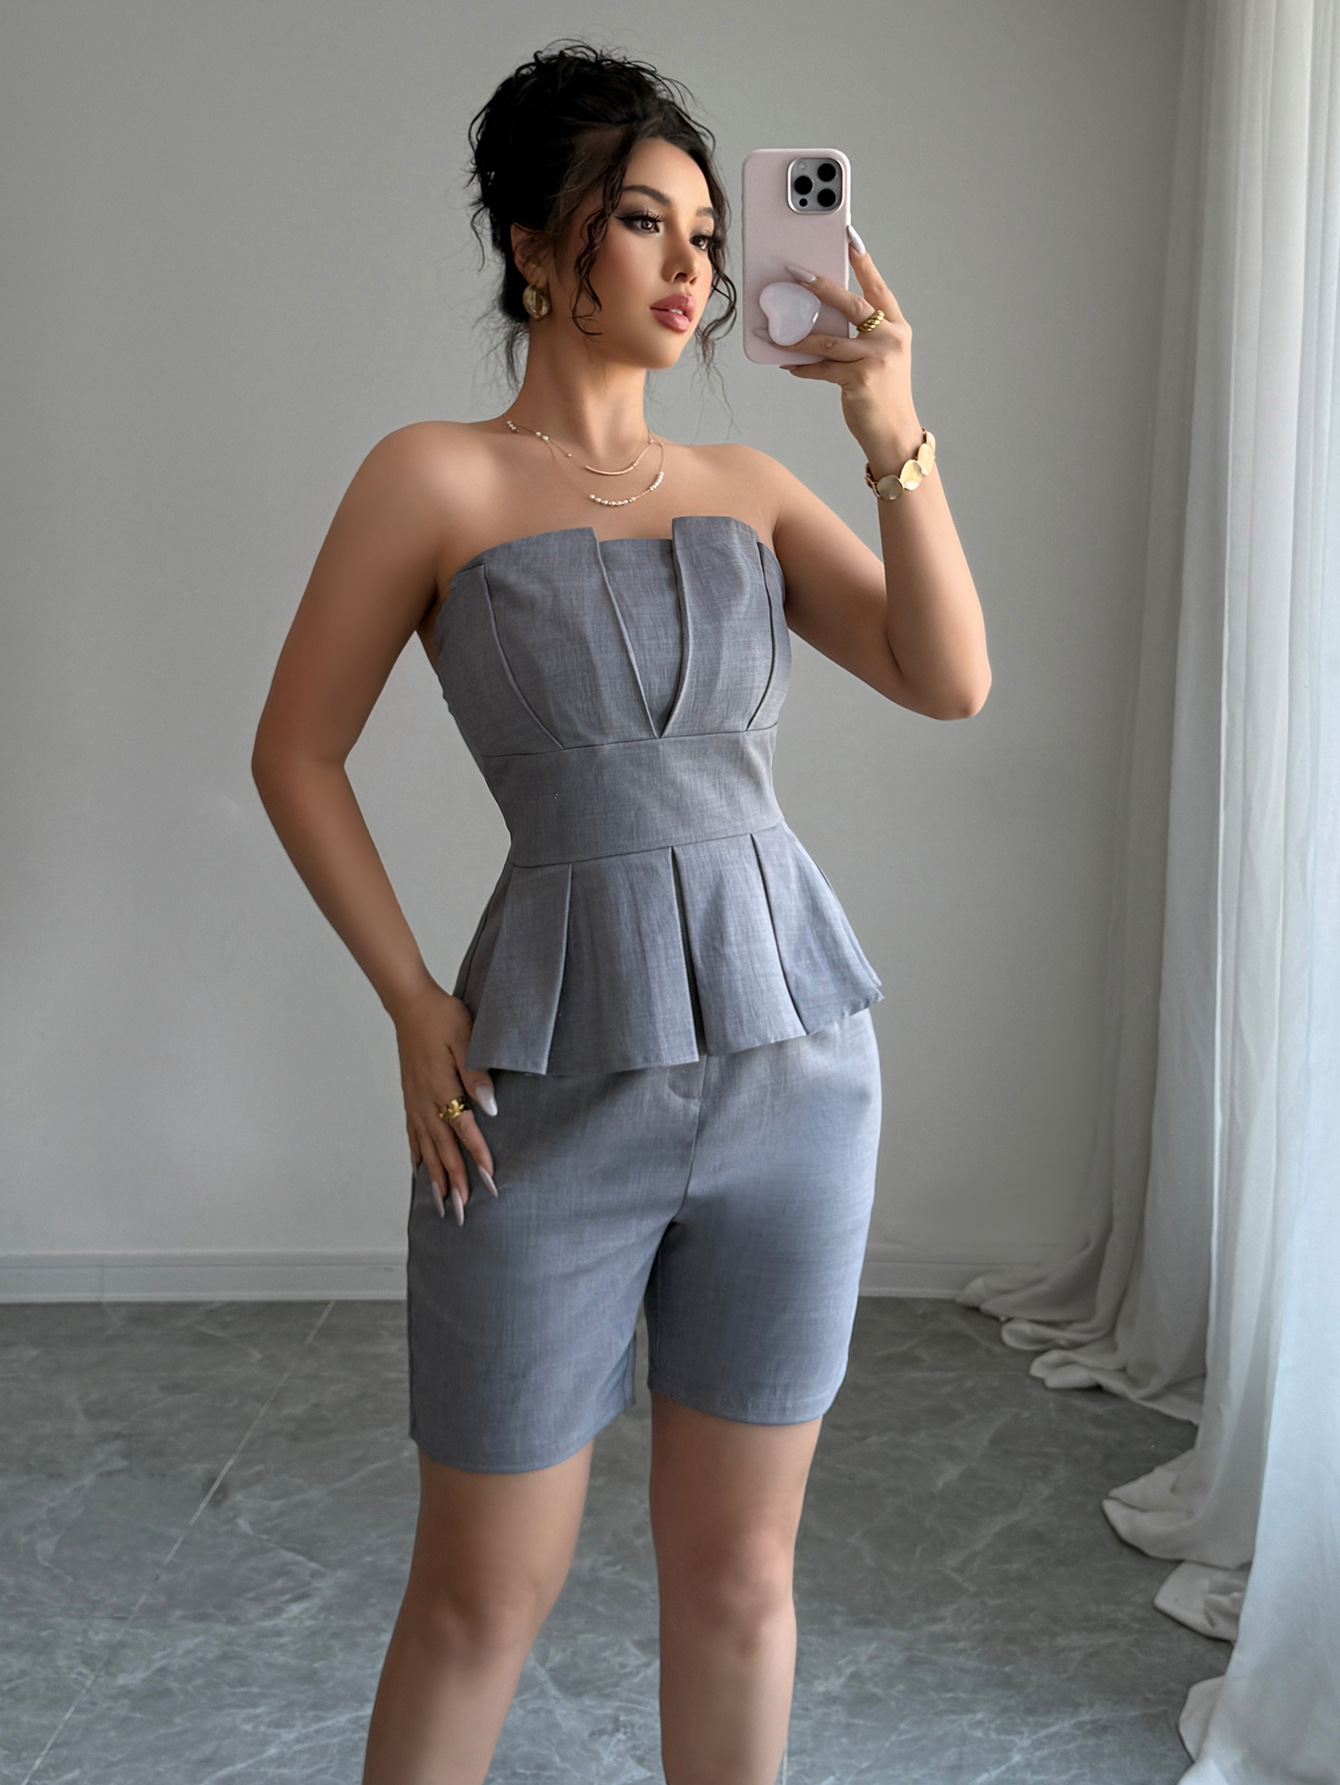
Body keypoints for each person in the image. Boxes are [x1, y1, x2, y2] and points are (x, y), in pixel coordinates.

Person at [251, 39, 989, 1785]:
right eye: (644, 220)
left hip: (798, 1071)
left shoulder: (752, 490)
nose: (692, 266)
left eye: (707, 235)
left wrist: (891, 431)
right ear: (534, 243)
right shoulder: (432, 478)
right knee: (479, 1595)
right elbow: (295, 753)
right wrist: (411, 999)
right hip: (548, 1075)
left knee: (741, 1577)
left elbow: (947, 676)